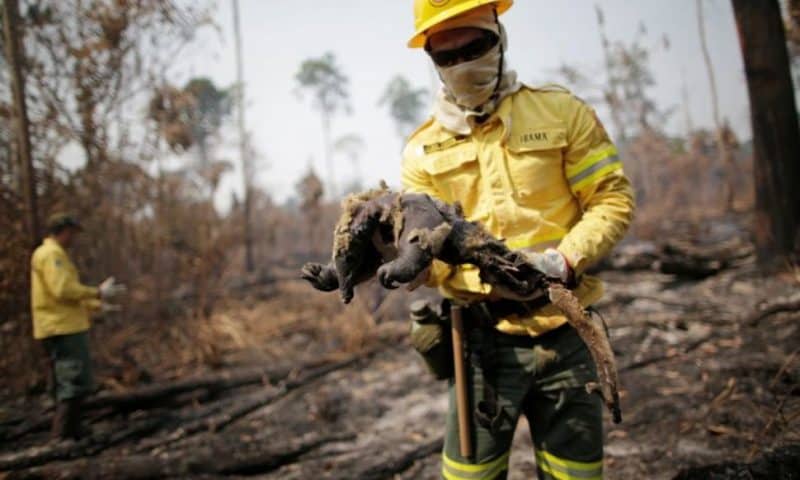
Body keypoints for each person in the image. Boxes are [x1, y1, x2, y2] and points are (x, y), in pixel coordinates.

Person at [401, 1, 635, 478]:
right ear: (430, 58)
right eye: (447, 56)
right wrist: (410, 263)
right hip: (480, 346)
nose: (463, 64)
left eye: (475, 46)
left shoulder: (562, 112)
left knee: (577, 474)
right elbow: (429, 257)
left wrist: (565, 262)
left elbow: (611, 198)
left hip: (568, 333)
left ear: (499, 36)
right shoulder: (420, 152)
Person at [30, 213, 126, 441]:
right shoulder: (52, 255)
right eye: (72, 233)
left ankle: (73, 431)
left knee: (67, 382)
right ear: (63, 231)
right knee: (72, 383)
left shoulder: (51, 253)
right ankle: (61, 438)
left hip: (60, 325)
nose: (73, 238)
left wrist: (97, 306)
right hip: (62, 328)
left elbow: (64, 296)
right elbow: (63, 290)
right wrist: (97, 292)